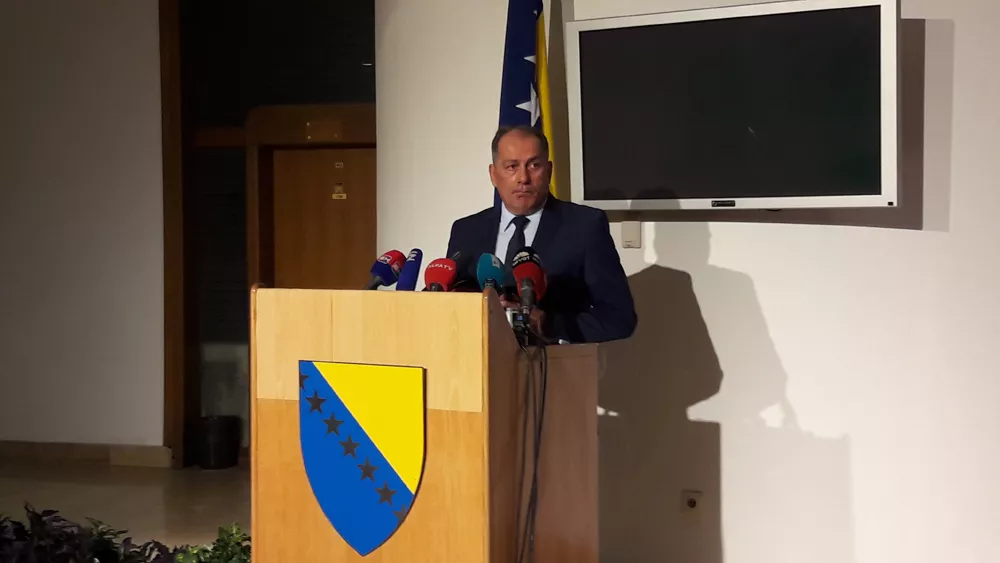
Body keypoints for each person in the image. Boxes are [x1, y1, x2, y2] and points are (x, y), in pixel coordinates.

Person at [445, 125, 637, 344]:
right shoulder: (467, 230)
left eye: (534, 165)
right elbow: (451, 304)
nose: (523, 178)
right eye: (512, 166)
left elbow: (619, 318)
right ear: (493, 174)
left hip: (554, 362)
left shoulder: (584, 226)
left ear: (549, 171)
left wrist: (548, 323)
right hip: (475, 359)